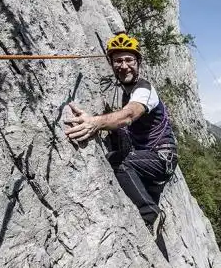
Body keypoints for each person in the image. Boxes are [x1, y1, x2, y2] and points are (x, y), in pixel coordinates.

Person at [65, 32, 178, 236]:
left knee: (119, 163)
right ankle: (151, 212)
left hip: (160, 158)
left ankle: (151, 214)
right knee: (116, 151)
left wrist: (95, 123)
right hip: (153, 157)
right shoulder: (129, 91)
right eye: (118, 60)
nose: (124, 65)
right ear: (111, 63)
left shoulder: (144, 90)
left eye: (129, 60)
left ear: (138, 63)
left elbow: (128, 115)